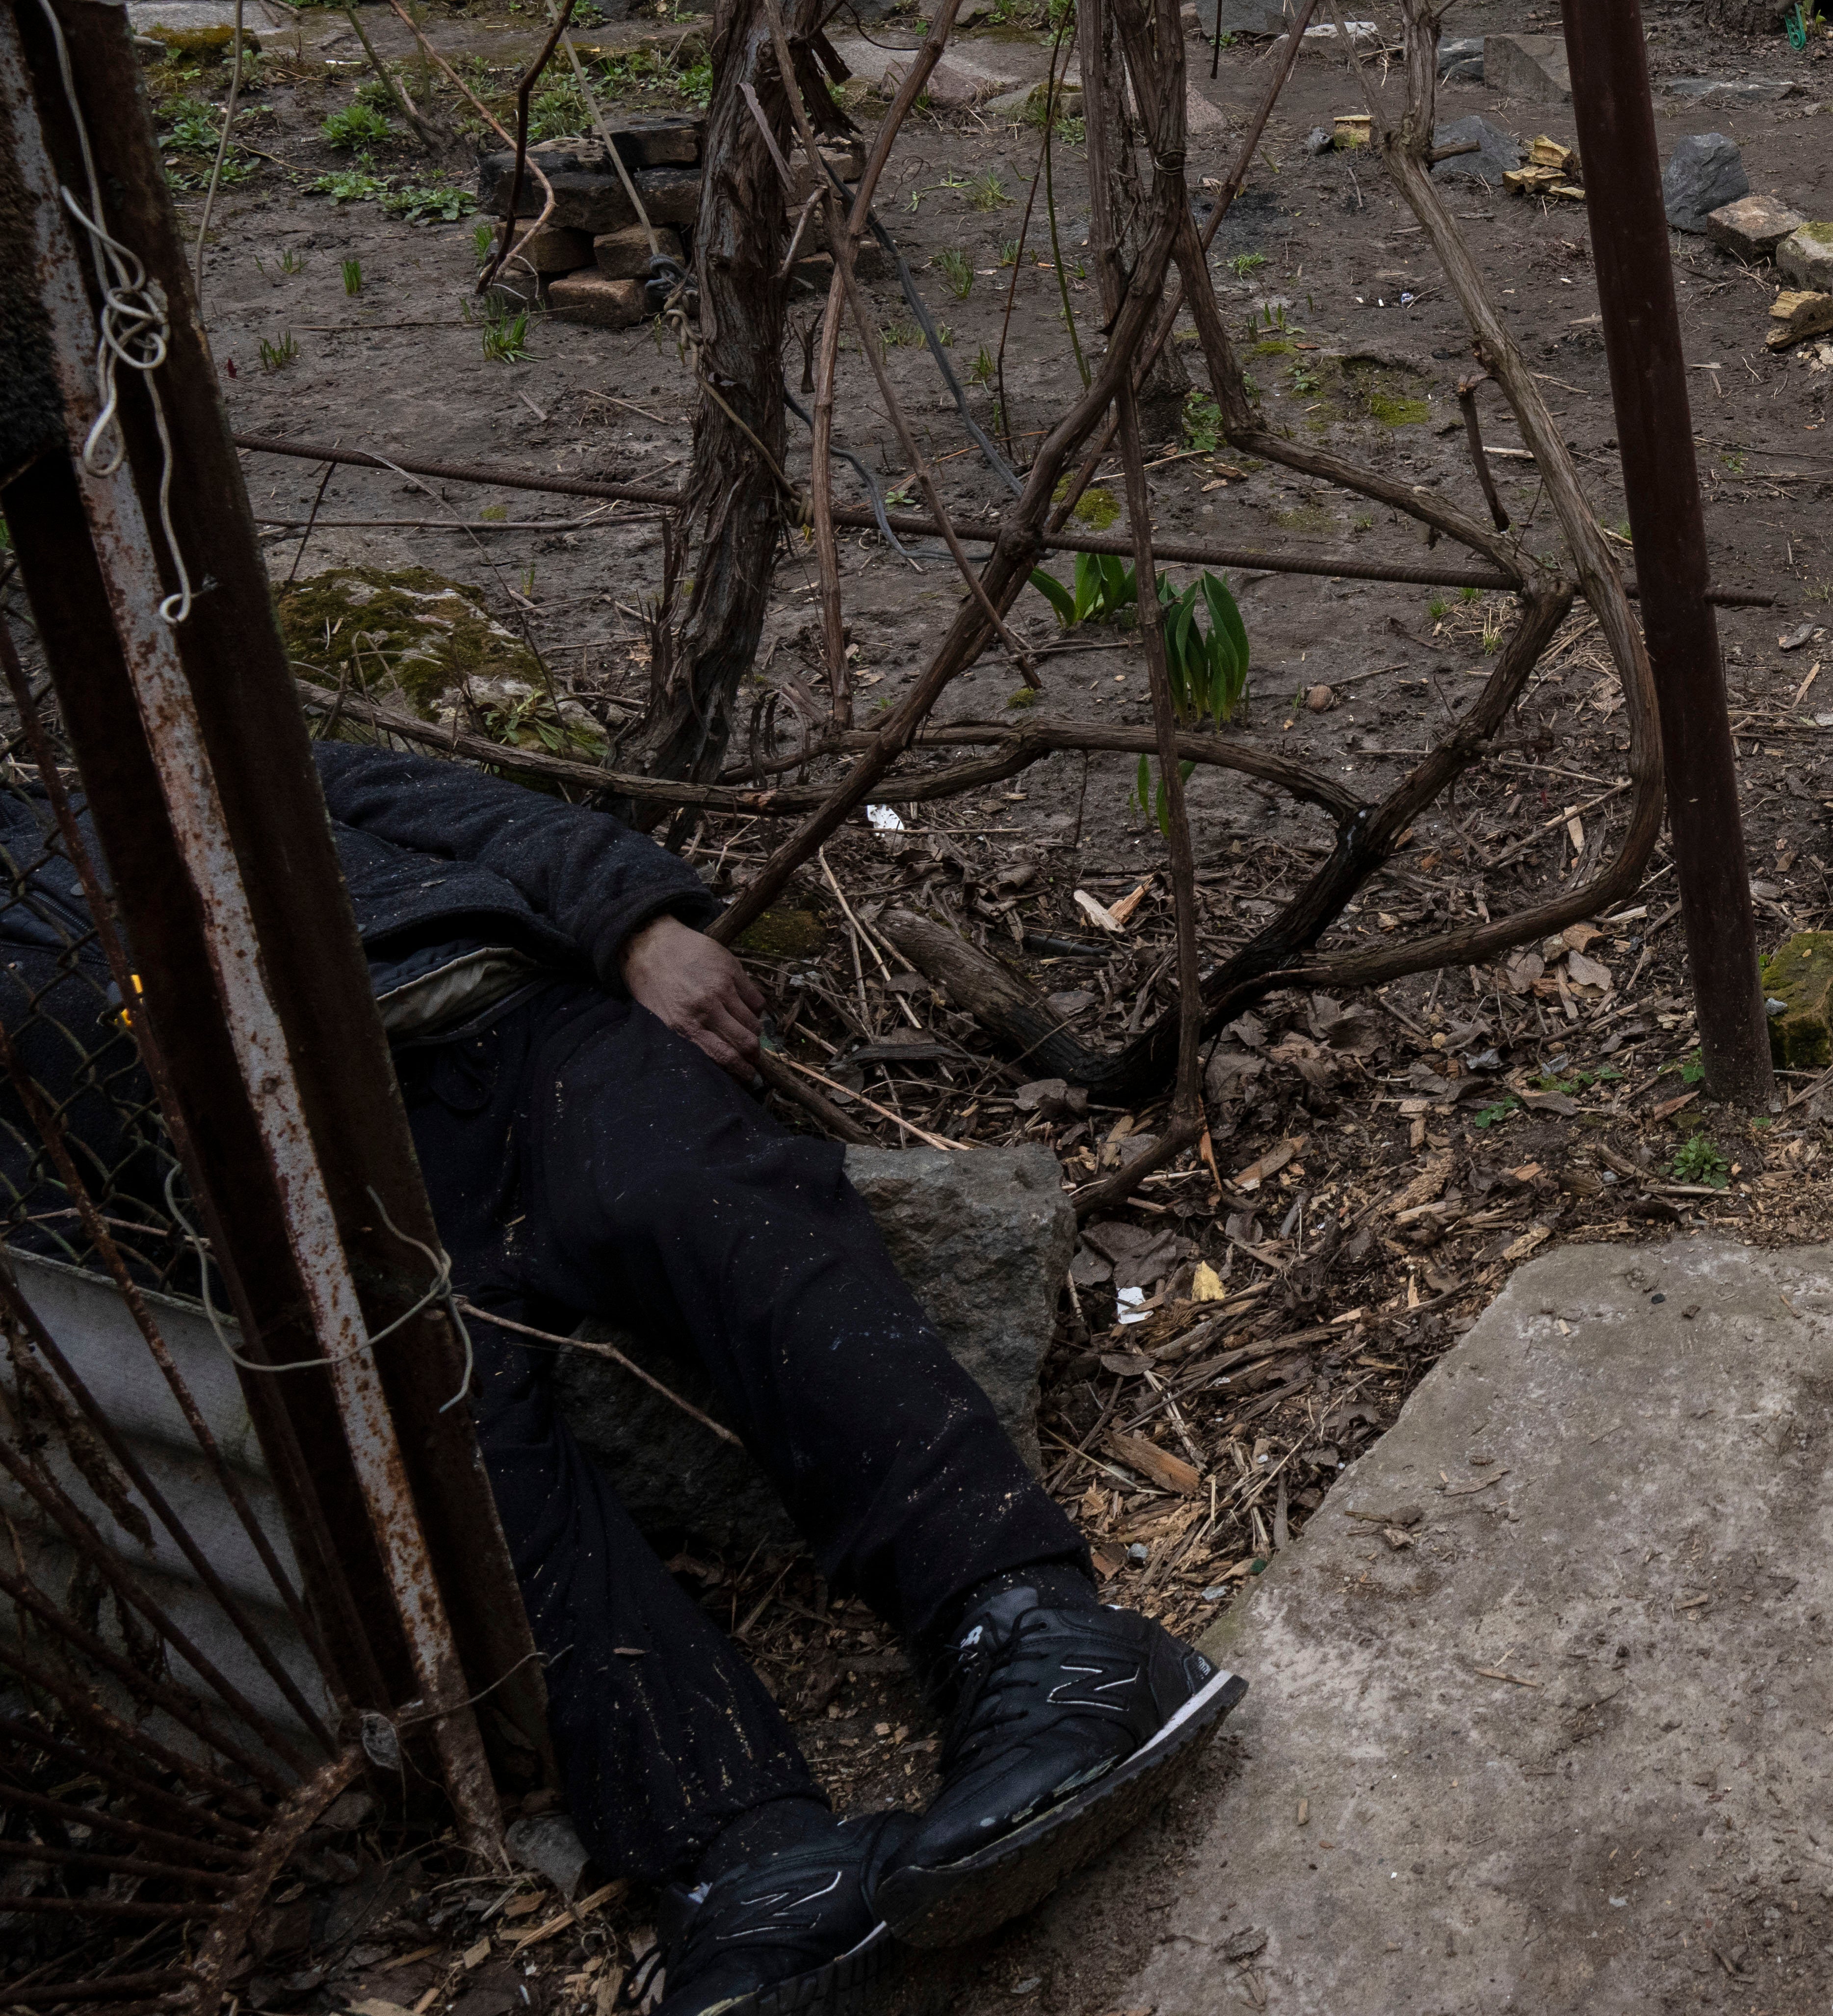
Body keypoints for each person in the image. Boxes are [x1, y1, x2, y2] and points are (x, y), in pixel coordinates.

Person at [0, 745, 1245, 2016]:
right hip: (323, 1228)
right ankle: (741, 1860)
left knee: (709, 1209)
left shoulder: (128, 772)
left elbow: (451, 807)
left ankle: (1036, 1634)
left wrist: (634, 923)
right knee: (453, 1461)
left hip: (496, 1029)